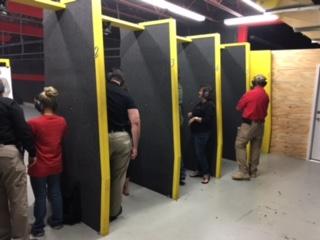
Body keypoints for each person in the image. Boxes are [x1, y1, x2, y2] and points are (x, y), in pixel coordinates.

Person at [28, 87, 67, 237]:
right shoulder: (62, 121)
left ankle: (38, 228)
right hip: (56, 164)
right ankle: (57, 222)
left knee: (40, 196)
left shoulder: (33, 123)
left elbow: (29, 143)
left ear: (41, 105)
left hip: (38, 166)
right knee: (55, 192)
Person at [0, 80, 36, 240]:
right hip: (9, 154)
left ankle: (3, 234)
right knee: (18, 199)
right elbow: (23, 130)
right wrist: (32, 153)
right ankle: (20, 236)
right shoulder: (10, 105)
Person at [107, 69, 140, 220]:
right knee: (118, 177)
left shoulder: (101, 90)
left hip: (102, 137)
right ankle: (113, 211)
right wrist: (135, 146)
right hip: (121, 138)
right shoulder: (126, 95)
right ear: (122, 81)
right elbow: (135, 121)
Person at [232, 74, 269, 180]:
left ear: (253, 83)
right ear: (264, 84)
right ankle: (253, 172)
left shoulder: (249, 94)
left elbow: (239, 107)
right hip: (260, 125)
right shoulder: (266, 95)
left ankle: (243, 172)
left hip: (248, 125)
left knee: (240, 145)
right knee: (256, 147)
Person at [188, 86, 215, 184]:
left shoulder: (210, 105)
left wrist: (195, 118)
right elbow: (197, 111)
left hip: (203, 133)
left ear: (205, 93)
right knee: (198, 153)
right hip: (196, 133)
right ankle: (199, 171)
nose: (198, 92)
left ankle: (206, 174)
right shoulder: (200, 103)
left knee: (201, 154)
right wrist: (192, 114)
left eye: (200, 91)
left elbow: (208, 120)